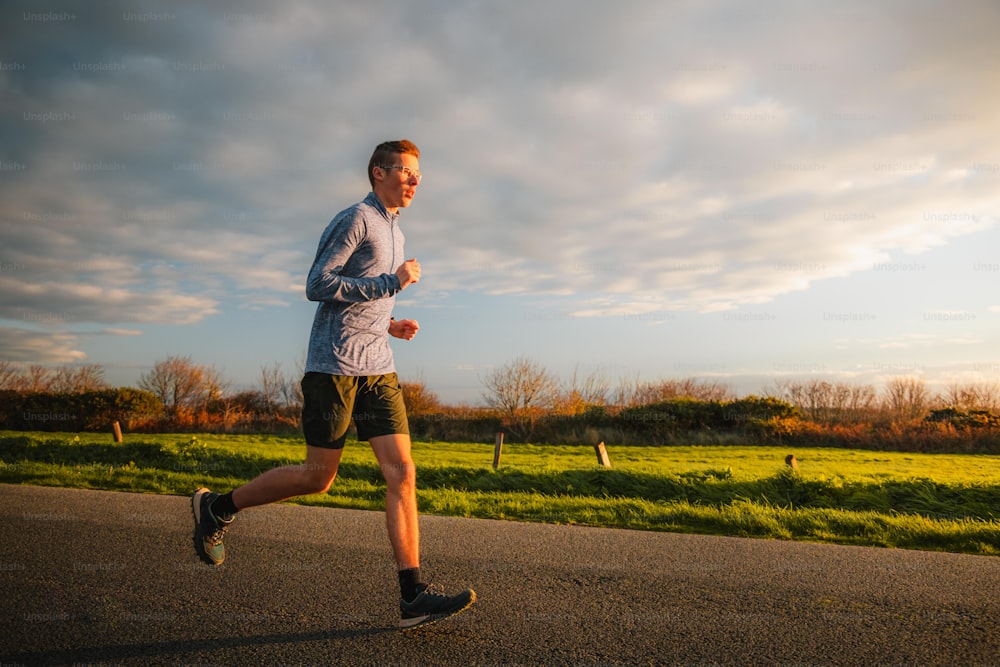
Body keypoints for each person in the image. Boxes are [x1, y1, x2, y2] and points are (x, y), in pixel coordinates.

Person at [191, 139, 475, 630]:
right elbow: (317, 284)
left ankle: (412, 595)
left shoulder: (396, 232)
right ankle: (217, 508)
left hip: (378, 369)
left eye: (419, 175)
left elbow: (363, 295)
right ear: (377, 172)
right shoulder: (356, 219)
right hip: (334, 368)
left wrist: (389, 323)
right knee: (317, 478)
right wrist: (392, 285)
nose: (415, 181)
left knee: (402, 473)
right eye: (406, 172)